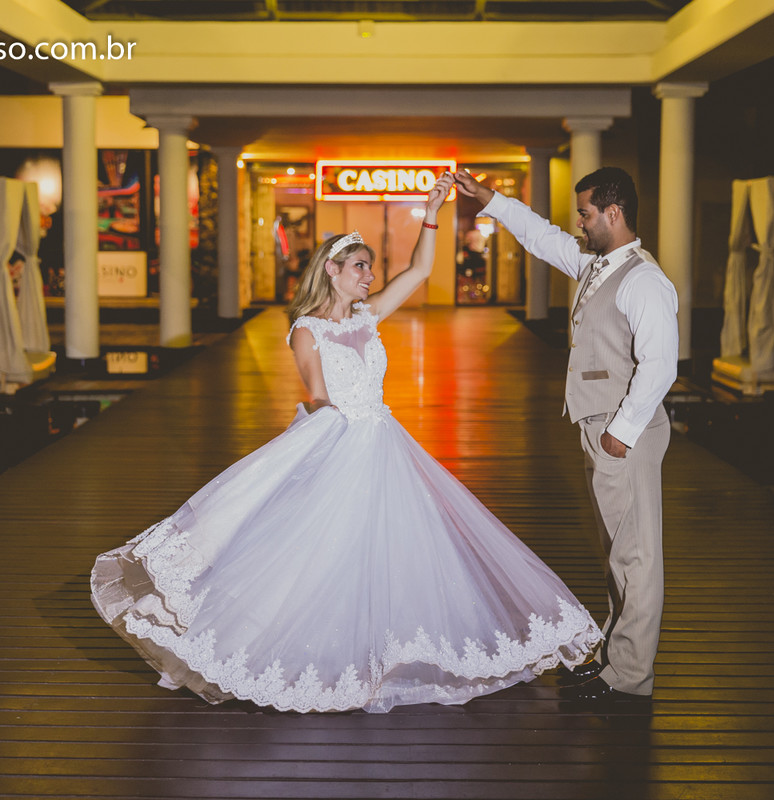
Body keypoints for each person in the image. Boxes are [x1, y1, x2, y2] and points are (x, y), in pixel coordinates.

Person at [91, 172, 603, 713]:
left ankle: (391, 653)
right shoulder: (307, 330)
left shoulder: (368, 315)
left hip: (385, 440)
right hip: (340, 440)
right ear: (332, 271)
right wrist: (315, 447)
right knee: (324, 553)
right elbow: (316, 395)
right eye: (360, 266)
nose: (369, 275)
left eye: (370, 268)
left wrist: (432, 212)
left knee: (399, 550)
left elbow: (422, 269)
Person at [454, 166, 678, 706]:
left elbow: (661, 365)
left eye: (586, 214)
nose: (578, 224)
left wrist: (620, 434)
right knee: (615, 551)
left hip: (623, 431)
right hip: (599, 426)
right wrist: (492, 200)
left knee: (637, 556)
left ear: (614, 213)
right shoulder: (600, 266)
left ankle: (629, 680)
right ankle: (613, 657)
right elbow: (544, 239)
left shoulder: (644, 279)